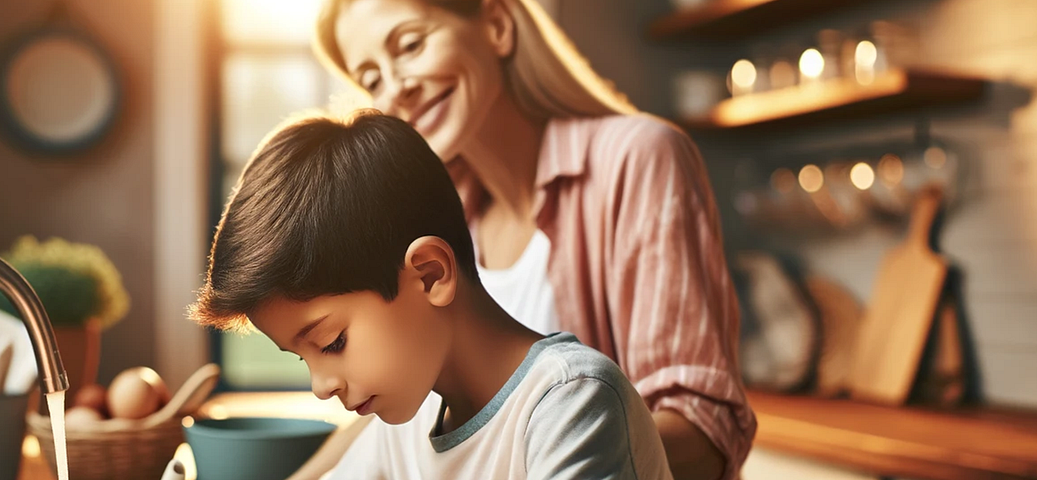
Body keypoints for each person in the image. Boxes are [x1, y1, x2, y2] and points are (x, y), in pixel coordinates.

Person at [307, 1, 755, 479]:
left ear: (498, 26)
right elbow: (396, 429)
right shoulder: (439, 224)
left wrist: (540, 448)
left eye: (411, 45)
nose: (398, 88)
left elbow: (706, 433)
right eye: (372, 78)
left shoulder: (639, 158)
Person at [189, 111, 672, 479]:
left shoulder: (571, 403)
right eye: (302, 357)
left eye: (332, 342)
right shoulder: (406, 428)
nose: (321, 385)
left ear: (430, 275)